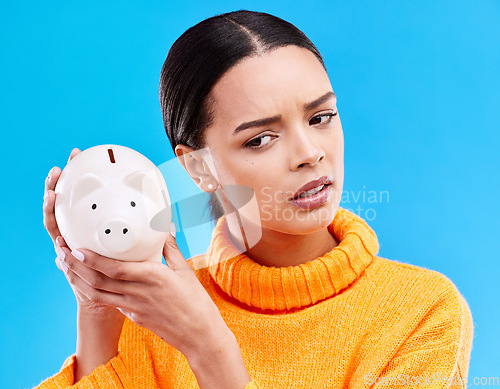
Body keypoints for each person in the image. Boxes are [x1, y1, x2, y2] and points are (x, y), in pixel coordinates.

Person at [36, 9, 474, 389]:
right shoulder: (159, 311)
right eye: (261, 139)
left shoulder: (420, 312)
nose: (309, 154)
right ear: (198, 168)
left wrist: (209, 349)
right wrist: (99, 306)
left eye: (321, 117)